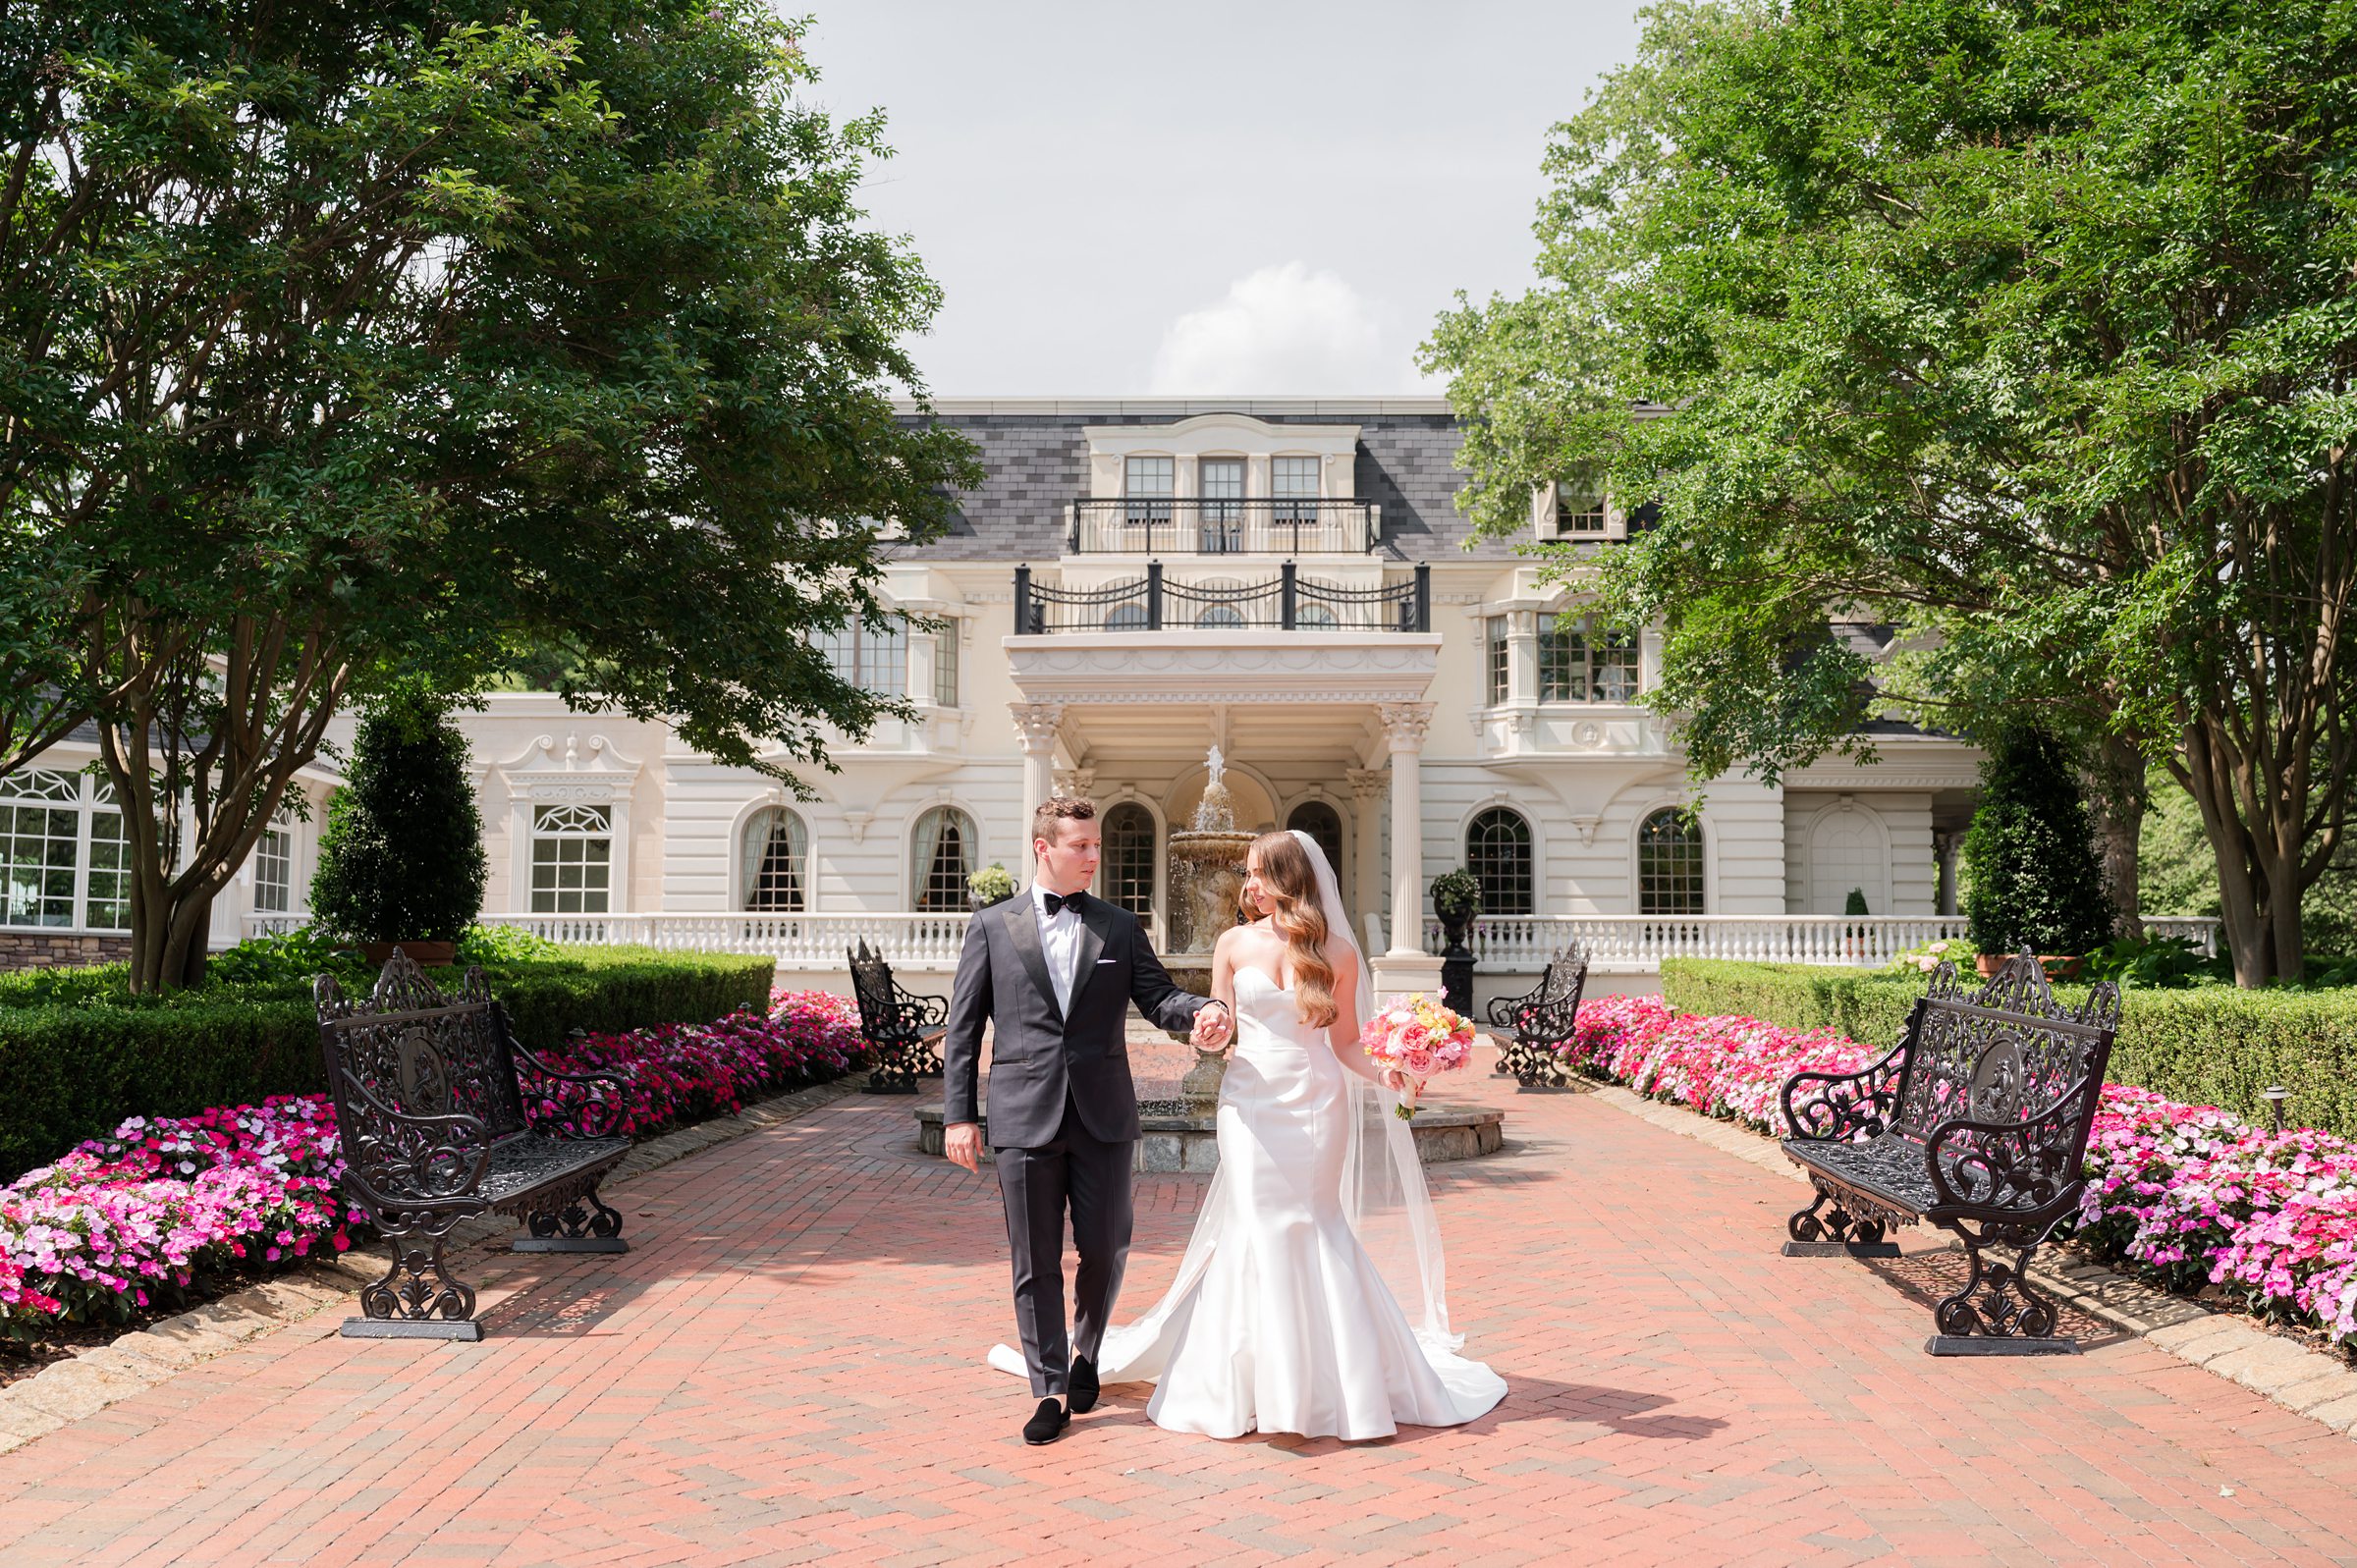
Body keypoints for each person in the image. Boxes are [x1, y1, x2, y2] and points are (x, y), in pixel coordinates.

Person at [989, 829, 1507, 1440]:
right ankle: (1251, 1386)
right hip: (1249, 1103)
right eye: (1247, 872)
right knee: (1257, 1224)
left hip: (1317, 1102)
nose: (1249, 885)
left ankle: (1328, 1383)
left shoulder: (1338, 953)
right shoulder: (1232, 943)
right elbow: (1218, 1023)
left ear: (1289, 879)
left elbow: (1345, 1046)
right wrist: (1206, 1031)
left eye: (1259, 873)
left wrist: (1399, 1071)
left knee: (1316, 1221)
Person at [942, 795, 1233, 1445]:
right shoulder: (992, 926)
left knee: (1104, 1247)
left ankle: (1087, 1351)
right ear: (1044, 847)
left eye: (1097, 845)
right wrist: (959, 1114)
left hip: (1103, 1113)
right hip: (1022, 1114)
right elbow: (962, 1031)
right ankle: (1048, 1386)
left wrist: (1203, 1010)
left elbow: (1160, 997)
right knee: (1033, 1256)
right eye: (1081, 846)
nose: (1093, 857)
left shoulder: (1119, 926)